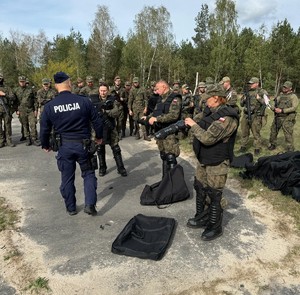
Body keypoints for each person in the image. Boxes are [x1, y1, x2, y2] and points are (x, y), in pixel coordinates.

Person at [40, 72, 104, 216]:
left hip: (64, 147)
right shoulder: (83, 101)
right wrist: (99, 137)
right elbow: (97, 122)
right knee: (88, 174)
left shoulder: (50, 106)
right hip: (83, 146)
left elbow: (44, 129)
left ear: (56, 86)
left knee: (67, 177)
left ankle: (71, 208)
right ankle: (90, 205)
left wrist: (45, 145)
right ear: (69, 83)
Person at [184, 84, 239, 241]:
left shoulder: (227, 117)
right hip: (205, 158)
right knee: (200, 188)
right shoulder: (211, 112)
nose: (205, 102)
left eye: (208, 99)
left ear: (216, 98)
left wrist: (193, 126)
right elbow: (199, 121)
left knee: (214, 194)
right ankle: (202, 217)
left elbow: (208, 138)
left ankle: (215, 226)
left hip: (217, 161)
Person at [146, 80, 182, 178]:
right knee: (163, 156)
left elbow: (174, 115)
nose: (156, 91)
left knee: (170, 157)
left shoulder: (175, 98)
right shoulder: (160, 99)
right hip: (160, 131)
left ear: (164, 87)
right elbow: (156, 112)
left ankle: (173, 184)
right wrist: (148, 117)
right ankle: (165, 181)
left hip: (170, 132)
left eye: (157, 89)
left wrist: (157, 119)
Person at [90, 82, 127, 177]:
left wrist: (105, 112)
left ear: (108, 90)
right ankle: (102, 167)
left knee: (116, 148)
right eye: (101, 90)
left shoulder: (112, 99)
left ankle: (121, 167)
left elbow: (117, 111)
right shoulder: (93, 99)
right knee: (100, 148)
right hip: (98, 128)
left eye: (105, 91)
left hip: (110, 126)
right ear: (99, 90)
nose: (103, 93)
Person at [239, 77, 269, 155]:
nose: (250, 85)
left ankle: (257, 148)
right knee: (244, 131)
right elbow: (241, 104)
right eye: (249, 83)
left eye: (252, 83)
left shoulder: (262, 92)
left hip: (255, 116)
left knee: (256, 133)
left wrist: (259, 99)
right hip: (245, 115)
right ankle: (243, 146)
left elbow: (267, 103)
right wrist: (244, 99)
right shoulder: (246, 92)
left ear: (257, 83)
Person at [268, 81, 299, 152]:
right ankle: (273, 144)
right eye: (284, 87)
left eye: (286, 87)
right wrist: (273, 108)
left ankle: (290, 148)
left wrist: (282, 110)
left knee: (288, 132)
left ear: (290, 88)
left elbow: (294, 107)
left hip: (288, 116)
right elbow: (274, 103)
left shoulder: (293, 96)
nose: (284, 88)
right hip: (278, 116)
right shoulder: (280, 95)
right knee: (273, 130)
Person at [14, 75, 40, 146]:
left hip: (30, 109)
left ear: (25, 81)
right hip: (21, 110)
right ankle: (28, 139)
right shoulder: (16, 90)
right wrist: (16, 109)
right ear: (19, 82)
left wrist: (36, 110)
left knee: (33, 124)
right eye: (21, 82)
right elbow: (15, 101)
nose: (22, 83)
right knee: (25, 125)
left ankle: (34, 139)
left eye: (23, 81)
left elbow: (35, 100)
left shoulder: (30, 89)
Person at [128, 77, 150, 141]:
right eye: (134, 82)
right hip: (134, 108)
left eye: (136, 82)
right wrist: (130, 109)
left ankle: (145, 135)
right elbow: (130, 101)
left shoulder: (143, 89)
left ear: (138, 82)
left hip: (142, 108)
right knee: (136, 121)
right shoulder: (132, 90)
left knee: (143, 121)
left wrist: (146, 108)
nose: (136, 83)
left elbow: (146, 99)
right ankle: (137, 134)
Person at [0, 73, 16, 148]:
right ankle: (1, 141)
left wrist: (4, 94)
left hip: (6, 109)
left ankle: (9, 140)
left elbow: (13, 97)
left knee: (7, 126)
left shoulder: (7, 88)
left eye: (0, 79)